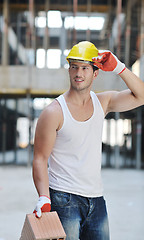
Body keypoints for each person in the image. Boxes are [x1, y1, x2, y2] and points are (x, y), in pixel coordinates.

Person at [32, 41, 144, 240]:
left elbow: (141, 96)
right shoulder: (54, 112)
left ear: (95, 73)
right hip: (63, 198)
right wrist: (43, 197)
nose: (78, 73)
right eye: (74, 66)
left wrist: (119, 67)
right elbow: (40, 159)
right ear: (69, 70)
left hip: (96, 199)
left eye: (84, 68)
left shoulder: (103, 102)